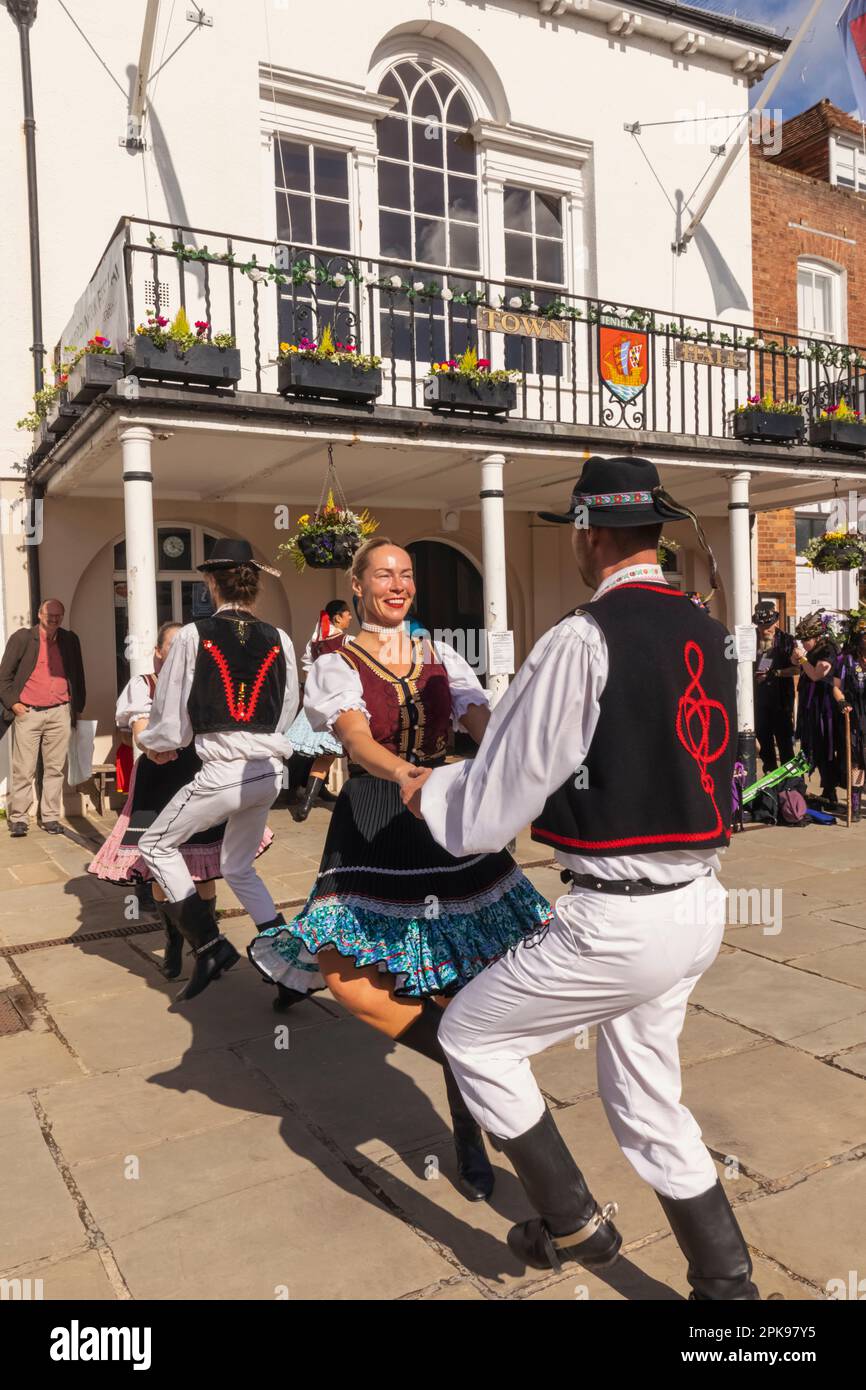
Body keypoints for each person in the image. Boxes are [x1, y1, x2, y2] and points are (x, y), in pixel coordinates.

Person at [403, 456, 758, 1301]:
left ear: (591, 536)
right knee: (646, 1095)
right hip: (698, 902)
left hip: (620, 916)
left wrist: (429, 794)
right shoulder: (709, 629)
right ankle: (728, 1291)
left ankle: (571, 1221)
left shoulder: (581, 638)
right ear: (655, 535)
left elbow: (492, 803)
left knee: (475, 1039)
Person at [249, 537, 552, 1203]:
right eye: (383, 574)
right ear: (356, 585)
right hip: (375, 811)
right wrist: (399, 770)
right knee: (345, 974)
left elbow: (476, 712)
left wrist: (511, 739)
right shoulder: (335, 658)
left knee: (459, 972)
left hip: (444, 810)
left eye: (406, 574)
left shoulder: (439, 652)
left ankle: (471, 1131)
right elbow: (352, 734)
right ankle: (470, 1062)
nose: (397, 584)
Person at [136, 539, 299, 1002]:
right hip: (268, 772)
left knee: (155, 844)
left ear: (211, 583)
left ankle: (208, 945)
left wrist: (158, 746)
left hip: (224, 772)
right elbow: (287, 708)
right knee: (238, 866)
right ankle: (290, 970)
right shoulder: (280, 638)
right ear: (253, 585)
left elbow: (170, 714)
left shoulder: (193, 635)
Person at [88, 620, 272, 978]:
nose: (177, 654)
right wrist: (151, 746)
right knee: (159, 866)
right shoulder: (145, 685)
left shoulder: (205, 683)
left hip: (200, 774)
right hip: (158, 778)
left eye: (182, 647)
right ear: (158, 652)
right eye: (170, 647)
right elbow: (139, 729)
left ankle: (208, 941)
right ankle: (174, 942)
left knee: (203, 869)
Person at [0, 598, 86, 836]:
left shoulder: (70, 640)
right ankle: (18, 818)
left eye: (59, 614)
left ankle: (49, 817)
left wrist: (76, 706)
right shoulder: (23, 639)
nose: (54, 618)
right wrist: (14, 704)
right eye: (50, 614)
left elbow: (78, 674)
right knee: (24, 769)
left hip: (60, 711)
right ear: (39, 614)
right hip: (28, 712)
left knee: (55, 769)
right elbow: (3, 677)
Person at [289, 600, 353, 822]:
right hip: (341, 705)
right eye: (347, 614)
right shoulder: (347, 642)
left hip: (320, 702)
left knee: (326, 756)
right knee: (331, 755)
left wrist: (314, 694)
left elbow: (308, 670)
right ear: (337, 617)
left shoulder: (315, 642)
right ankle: (309, 802)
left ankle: (309, 800)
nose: (350, 618)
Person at [794, 611, 840, 807]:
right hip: (810, 707)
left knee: (824, 747)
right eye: (802, 640)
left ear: (817, 637)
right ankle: (824, 791)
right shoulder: (812, 651)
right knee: (812, 747)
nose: (804, 644)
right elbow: (795, 664)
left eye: (807, 640)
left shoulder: (828, 650)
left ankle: (830, 791)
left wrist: (803, 660)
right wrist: (798, 658)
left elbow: (816, 675)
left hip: (824, 709)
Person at [752, 601, 798, 775]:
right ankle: (770, 786)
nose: (766, 630)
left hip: (781, 701)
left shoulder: (786, 641)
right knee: (765, 748)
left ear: (776, 622)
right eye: (762, 626)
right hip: (758, 702)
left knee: (786, 747)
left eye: (769, 625)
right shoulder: (750, 640)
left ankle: (791, 787)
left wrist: (775, 673)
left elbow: (796, 669)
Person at [833, 610, 866, 822]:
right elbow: (836, 687)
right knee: (856, 761)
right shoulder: (846, 661)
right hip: (855, 716)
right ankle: (854, 804)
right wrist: (842, 701)